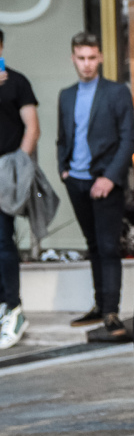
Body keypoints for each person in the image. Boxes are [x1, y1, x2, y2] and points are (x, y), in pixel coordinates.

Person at [57, 32, 134, 343]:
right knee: (92, 245)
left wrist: (109, 178)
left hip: (106, 181)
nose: (87, 64)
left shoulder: (117, 93)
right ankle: (99, 305)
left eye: (92, 58)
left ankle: (111, 312)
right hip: (76, 181)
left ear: (101, 58)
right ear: (73, 59)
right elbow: (64, 137)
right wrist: (63, 170)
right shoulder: (66, 95)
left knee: (107, 247)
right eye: (81, 58)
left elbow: (130, 139)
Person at [0, 28, 39, 349]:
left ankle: (14, 307)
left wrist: (19, 166)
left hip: (7, 171)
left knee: (3, 240)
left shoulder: (17, 82)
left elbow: (32, 127)